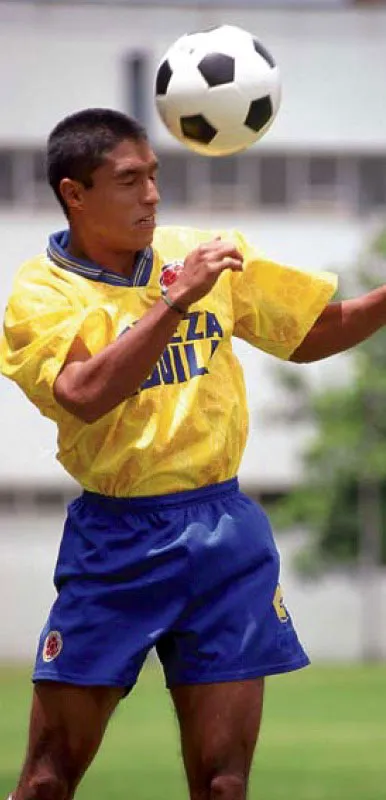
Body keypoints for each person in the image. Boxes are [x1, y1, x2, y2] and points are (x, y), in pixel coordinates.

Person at [1, 108, 386, 800]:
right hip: (116, 543)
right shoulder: (40, 292)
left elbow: (312, 331)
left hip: (223, 535)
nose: (151, 193)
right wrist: (177, 302)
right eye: (128, 180)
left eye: (153, 175)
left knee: (224, 785)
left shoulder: (204, 254)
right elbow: (84, 393)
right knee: (49, 778)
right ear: (75, 193)